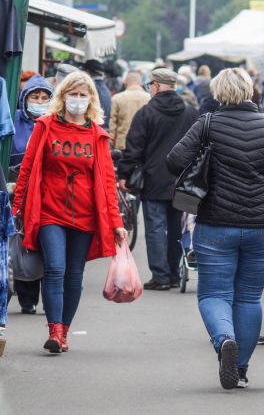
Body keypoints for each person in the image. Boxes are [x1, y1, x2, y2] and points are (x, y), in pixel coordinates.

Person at [167, 68, 264, 390]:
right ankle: (239, 369)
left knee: (214, 293)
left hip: (217, 223)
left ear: (218, 92)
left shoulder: (208, 123)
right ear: (251, 90)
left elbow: (173, 160)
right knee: (249, 297)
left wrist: (205, 151)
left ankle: (224, 340)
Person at [12, 71, 127, 354]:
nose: (77, 99)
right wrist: (16, 207)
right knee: (55, 269)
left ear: (90, 100)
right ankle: (55, 330)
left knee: (74, 274)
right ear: (62, 97)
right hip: (50, 211)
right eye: (72, 94)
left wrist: (116, 222)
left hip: (86, 214)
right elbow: (27, 168)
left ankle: (64, 331)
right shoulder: (45, 126)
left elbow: (108, 183)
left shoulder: (96, 134)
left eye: (82, 94)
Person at [118, 69, 199, 290]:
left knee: (155, 227)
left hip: (153, 178)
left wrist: (124, 174)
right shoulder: (190, 112)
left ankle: (160, 276)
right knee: (176, 227)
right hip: (182, 180)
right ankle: (173, 272)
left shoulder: (146, 113)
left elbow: (133, 148)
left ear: (155, 86)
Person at [10, 75, 54, 315]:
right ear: (24, 99)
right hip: (16, 190)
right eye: (34, 97)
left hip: (46, 194)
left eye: (44, 97)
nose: (39, 101)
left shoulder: (56, 123)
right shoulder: (14, 122)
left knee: (47, 245)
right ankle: (26, 298)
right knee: (22, 243)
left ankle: (49, 298)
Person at [109, 70, 150, 151]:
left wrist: (111, 146)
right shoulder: (149, 98)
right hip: (144, 145)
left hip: (122, 145)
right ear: (141, 83)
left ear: (125, 83)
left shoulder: (117, 98)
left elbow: (112, 126)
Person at [82, 60, 112, 130]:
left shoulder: (92, 88)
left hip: (95, 129)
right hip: (103, 129)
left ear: (87, 72)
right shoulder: (106, 88)